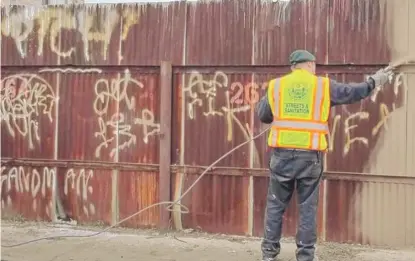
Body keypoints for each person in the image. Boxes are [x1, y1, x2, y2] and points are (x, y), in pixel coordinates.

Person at [256, 49, 393, 261]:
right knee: (307, 208)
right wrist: (375, 82)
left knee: (275, 205)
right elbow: (352, 92)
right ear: (310, 65)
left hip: (281, 156)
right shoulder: (322, 86)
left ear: (293, 66)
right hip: (309, 158)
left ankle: (268, 255)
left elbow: (263, 114)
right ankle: (305, 256)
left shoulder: (277, 85)